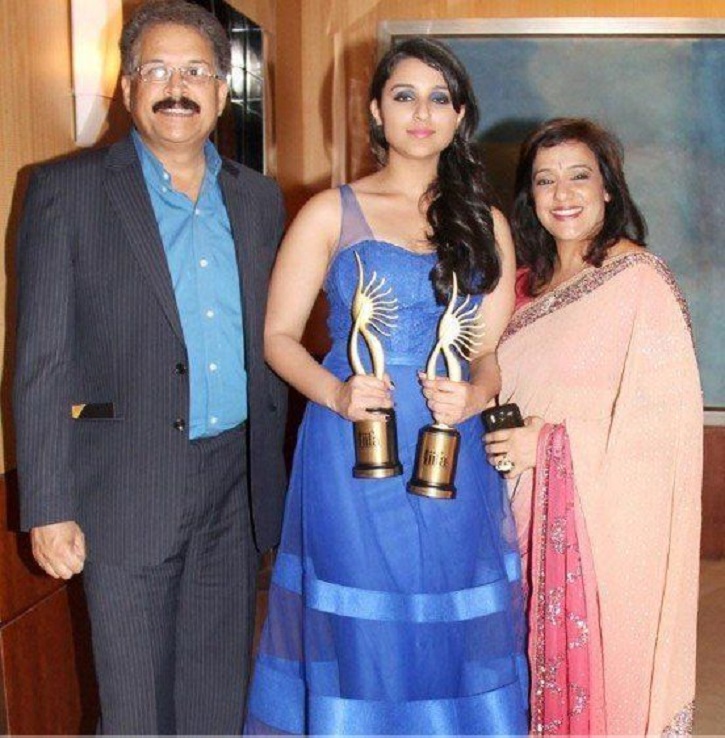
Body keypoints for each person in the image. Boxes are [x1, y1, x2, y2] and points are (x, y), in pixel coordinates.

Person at [12, 1, 287, 733]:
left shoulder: (258, 201)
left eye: (196, 71)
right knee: (133, 712)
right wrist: (45, 504)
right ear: (128, 86)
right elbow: (39, 358)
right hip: (123, 486)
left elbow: (279, 341)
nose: (178, 86)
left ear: (222, 93)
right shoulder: (65, 192)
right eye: (157, 69)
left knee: (216, 704)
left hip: (235, 486)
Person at [244, 37, 529, 736]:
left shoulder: (485, 222)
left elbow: (489, 348)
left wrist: (477, 395)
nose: (420, 112)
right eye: (403, 95)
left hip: (449, 442)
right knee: (363, 615)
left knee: (448, 606)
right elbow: (277, 337)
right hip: (351, 446)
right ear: (376, 111)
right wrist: (336, 394)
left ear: (459, 116)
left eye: (439, 98)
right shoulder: (327, 212)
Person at [485, 118, 702, 735]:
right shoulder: (524, 287)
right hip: (516, 511)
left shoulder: (640, 283)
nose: (563, 194)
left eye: (579, 176)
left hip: (603, 531)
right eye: (545, 180)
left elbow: (665, 430)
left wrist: (550, 444)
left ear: (608, 187)